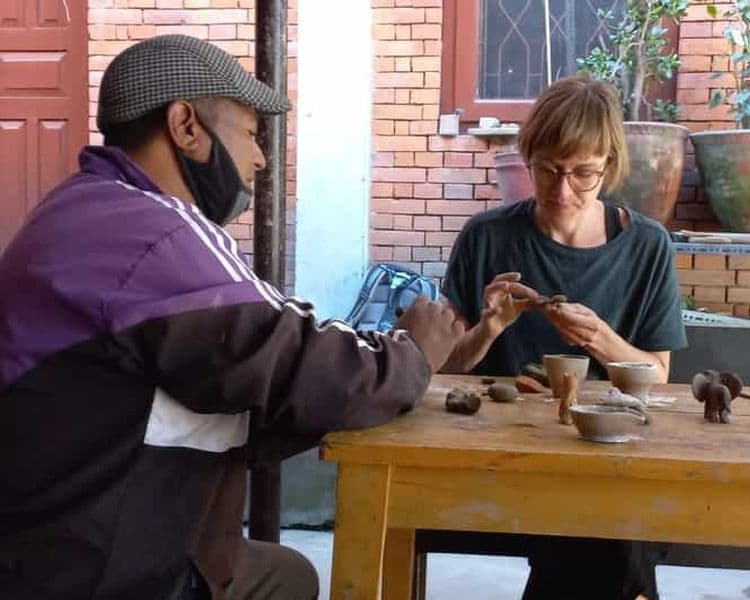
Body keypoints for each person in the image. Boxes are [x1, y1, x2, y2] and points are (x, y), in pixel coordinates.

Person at [0, 35, 463, 600]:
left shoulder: (87, 209)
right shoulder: (156, 229)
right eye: (249, 133)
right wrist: (412, 353)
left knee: (284, 572)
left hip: (57, 540)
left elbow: (233, 386)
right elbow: (297, 356)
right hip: (91, 569)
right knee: (282, 579)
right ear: (186, 127)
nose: (261, 159)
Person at [441, 75, 687, 599]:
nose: (562, 190)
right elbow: (442, 373)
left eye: (584, 174)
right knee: (607, 528)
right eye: (548, 170)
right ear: (527, 158)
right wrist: (489, 330)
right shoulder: (486, 237)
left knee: (608, 512)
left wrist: (600, 338)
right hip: (502, 450)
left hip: (608, 445)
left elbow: (659, 376)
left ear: (610, 167)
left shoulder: (646, 246)